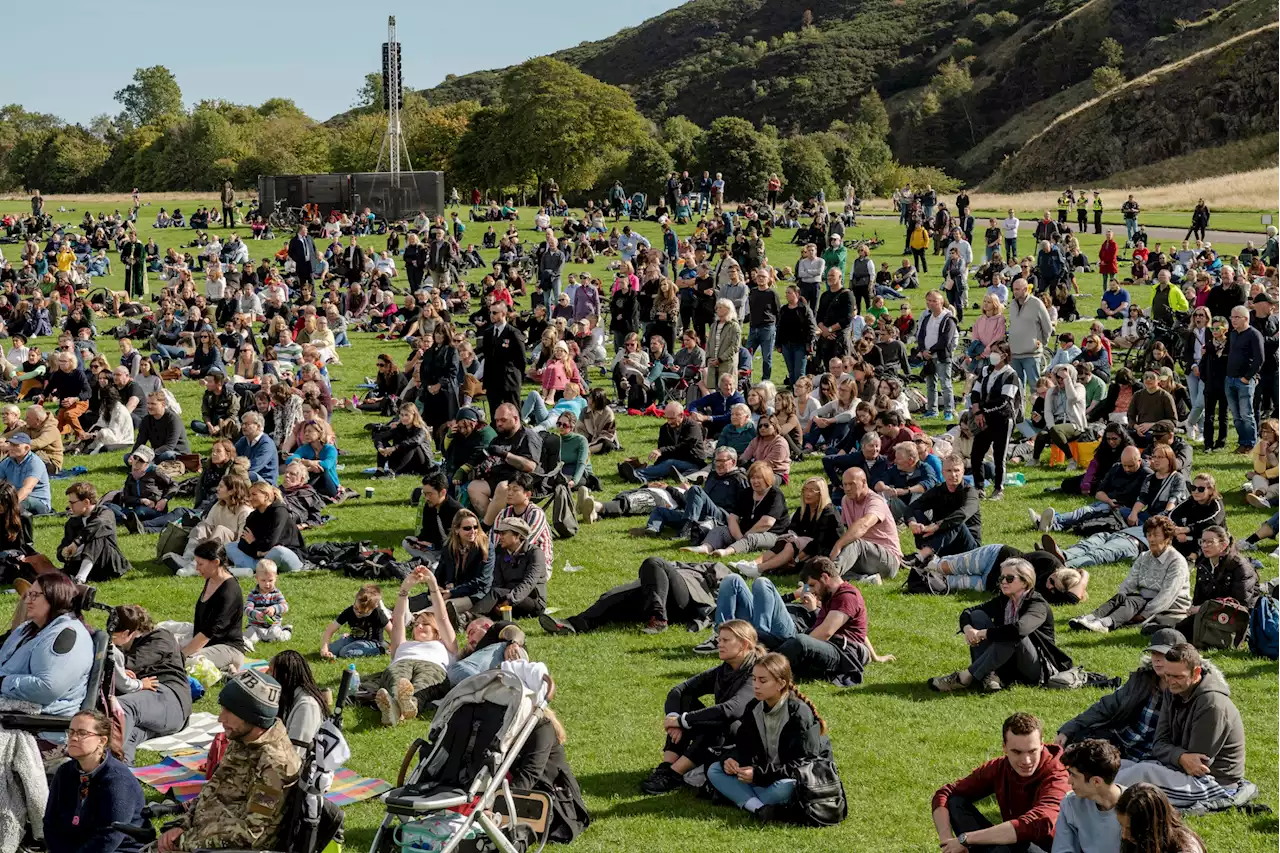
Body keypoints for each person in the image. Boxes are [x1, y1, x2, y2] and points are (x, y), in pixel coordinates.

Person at [156, 670, 301, 852]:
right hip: (201, 834)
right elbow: (213, 788)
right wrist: (183, 824)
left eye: (229, 711)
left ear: (253, 716)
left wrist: (183, 843)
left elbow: (252, 834)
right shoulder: (243, 738)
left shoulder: (274, 765)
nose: (220, 718)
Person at [1115, 643, 1246, 809]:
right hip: (1176, 768)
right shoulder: (1173, 691)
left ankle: (1092, 792)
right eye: (1167, 675)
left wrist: (1174, 755)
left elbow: (1195, 765)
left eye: (1178, 676)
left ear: (1197, 672)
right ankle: (1087, 785)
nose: (1171, 682)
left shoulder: (1212, 704)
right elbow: (1159, 744)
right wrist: (1179, 756)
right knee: (1123, 765)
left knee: (1141, 772)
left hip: (1212, 783)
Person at [707, 652, 835, 822]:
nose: (756, 685)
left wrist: (758, 775)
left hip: (794, 778)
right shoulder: (754, 707)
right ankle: (760, 808)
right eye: (753, 679)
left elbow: (804, 765)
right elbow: (744, 745)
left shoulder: (798, 713)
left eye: (763, 680)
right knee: (715, 770)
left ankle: (743, 799)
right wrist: (731, 760)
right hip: (765, 775)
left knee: (786, 789)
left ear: (781, 683)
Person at [639, 619, 759, 795]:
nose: (720, 644)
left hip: (750, 739)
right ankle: (666, 766)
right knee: (686, 699)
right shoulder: (724, 669)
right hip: (726, 730)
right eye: (720, 639)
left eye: (726, 640)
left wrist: (683, 720)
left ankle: (675, 773)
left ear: (744, 644)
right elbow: (679, 691)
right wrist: (675, 719)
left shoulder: (757, 672)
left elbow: (732, 710)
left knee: (720, 720)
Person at [929, 558, 1073, 693]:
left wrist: (983, 633)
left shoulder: (1038, 605)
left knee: (1013, 635)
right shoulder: (1005, 600)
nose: (1003, 582)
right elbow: (969, 612)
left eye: (1009, 578)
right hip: (1007, 658)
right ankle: (990, 675)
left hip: (1036, 667)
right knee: (977, 616)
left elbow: (1019, 629)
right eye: (1001, 578)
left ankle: (965, 677)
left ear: (1025, 581)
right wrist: (969, 629)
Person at [932, 712, 1069, 853]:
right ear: (1004, 747)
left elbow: (1036, 823)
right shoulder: (1000, 767)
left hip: (1048, 848)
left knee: (1017, 842)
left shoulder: (1058, 775)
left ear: (1041, 745)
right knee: (955, 801)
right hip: (1012, 841)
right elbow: (946, 792)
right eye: (1017, 752)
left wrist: (965, 839)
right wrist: (947, 841)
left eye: (1032, 751)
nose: (1026, 761)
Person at [1055, 628, 1186, 761]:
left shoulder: (1187, 691)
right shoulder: (1142, 678)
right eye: (1154, 653)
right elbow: (1107, 706)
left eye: (1163, 654)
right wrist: (1070, 727)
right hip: (1122, 743)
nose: (1157, 659)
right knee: (1076, 742)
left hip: (1154, 755)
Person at [44, 709, 146, 853]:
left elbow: (110, 836)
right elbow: (51, 822)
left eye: (82, 733)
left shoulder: (118, 780)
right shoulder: (64, 772)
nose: (73, 738)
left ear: (102, 741)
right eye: (71, 732)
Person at [1068, 516, 1190, 636]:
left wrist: (1144, 614)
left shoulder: (1176, 561)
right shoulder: (1144, 557)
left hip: (1170, 606)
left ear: (1167, 538)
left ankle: (1105, 624)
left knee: (1133, 601)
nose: (1151, 539)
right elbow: (1129, 582)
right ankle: (1091, 617)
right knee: (1121, 597)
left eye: (1156, 535)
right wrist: (1122, 595)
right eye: (1149, 535)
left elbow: (1167, 595)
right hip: (1144, 599)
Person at [372, 566, 458, 726]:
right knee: (397, 681)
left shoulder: (446, 644)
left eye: (425, 624)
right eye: (416, 624)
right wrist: (404, 589)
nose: (418, 627)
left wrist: (432, 584)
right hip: (402, 663)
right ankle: (394, 707)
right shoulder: (403, 645)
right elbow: (397, 621)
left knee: (422, 685)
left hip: (432, 667)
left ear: (437, 630)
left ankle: (407, 705)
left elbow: (442, 617)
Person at [0, 573, 94, 716]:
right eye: (28, 595)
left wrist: (3, 683)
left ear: (55, 597)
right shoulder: (27, 629)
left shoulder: (68, 635)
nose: (27, 601)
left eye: (34, 595)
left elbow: (48, 687)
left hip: (38, 721)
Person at [680, 461, 788, 558]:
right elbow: (733, 517)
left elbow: (767, 523)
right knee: (720, 530)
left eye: (759, 478)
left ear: (767, 479)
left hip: (771, 534)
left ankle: (727, 551)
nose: (755, 481)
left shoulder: (775, 494)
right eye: (753, 478)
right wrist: (738, 536)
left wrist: (745, 536)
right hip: (744, 532)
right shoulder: (746, 493)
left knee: (752, 538)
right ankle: (705, 547)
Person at [831, 467, 903, 583]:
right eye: (845, 485)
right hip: (863, 556)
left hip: (888, 560)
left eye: (852, 484)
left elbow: (864, 525)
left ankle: (827, 578)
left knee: (854, 543)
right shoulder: (846, 500)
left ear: (864, 482)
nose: (847, 488)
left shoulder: (876, 501)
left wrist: (838, 545)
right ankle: (864, 579)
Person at [905, 453, 981, 563]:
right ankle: (926, 552)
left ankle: (922, 555)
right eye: (949, 471)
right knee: (917, 512)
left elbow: (963, 514)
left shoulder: (970, 492)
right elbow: (912, 507)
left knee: (956, 521)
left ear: (963, 472)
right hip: (942, 542)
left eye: (956, 470)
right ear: (943, 473)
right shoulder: (938, 490)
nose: (953, 474)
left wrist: (936, 526)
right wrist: (912, 523)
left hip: (967, 547)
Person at [1054, 739, 1124, 853]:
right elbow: (1062, 849)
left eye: (1074, 775)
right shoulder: (1070, 804)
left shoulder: (1136, 807)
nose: (1069, 781)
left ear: (1096, 782)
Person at [57, 481, 131, 581]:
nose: (69, 507)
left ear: (86, 502)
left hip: (107, 565)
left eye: (72, 503)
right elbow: (63, 547)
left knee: (98, 534)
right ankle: (80, 575)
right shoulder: (72, 522)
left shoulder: (106, 513)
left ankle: (80, 578)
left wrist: (76, 542)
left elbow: (98, 524)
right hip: (81, 564)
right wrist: (63, 553)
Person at [227, 482, 305, 573]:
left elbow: (271, 543)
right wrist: (258, 553)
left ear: (266, 496)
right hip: (261, 556)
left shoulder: (279, 512)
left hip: (287, 555)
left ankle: (252, 568)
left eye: (254, 494)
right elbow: (242, 543)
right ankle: (259, 568)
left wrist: (253, 542)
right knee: (230, 546)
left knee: (278, 551)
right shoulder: (253, 516)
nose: (250, 498)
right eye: (249, 495)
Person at [1114, 784, 1206, 853]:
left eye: (1130, 829)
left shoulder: (1186, 849)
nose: (1124, 835)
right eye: (1122, 826)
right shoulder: (1138, 842)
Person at [268, 649, 329, 752]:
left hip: (299, 764)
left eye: (270, 671)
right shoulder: (288, 696)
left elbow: (297, 752)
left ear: (284, 676)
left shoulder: (307, 706)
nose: (267, 675)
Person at [1226, 304, 1264, 453]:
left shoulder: (1254, 334)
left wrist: (1247, 378)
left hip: (1245, 381)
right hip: (1230, 379)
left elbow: (1259, 359)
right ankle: (1243, 443)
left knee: (1246, 414)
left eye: (1237, 317)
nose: (1233, 320)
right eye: (1232, 317)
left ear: (1246, 318)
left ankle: (1251, 443)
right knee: (1236, 416)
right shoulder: (1233, 334)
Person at [479, 302, 527, 416]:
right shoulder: (488, 333)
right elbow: (487, 357)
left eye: (495, 313)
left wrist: (517, 377)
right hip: (493, 382)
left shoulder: (513, 333)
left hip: (509, 380)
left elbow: (522, 359)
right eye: (490, 312)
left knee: (513, 414)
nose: (491, 315)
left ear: (504, 313)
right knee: (495, 415)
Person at [0, 431, 52, 514]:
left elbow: (27, 489)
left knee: (23, 501)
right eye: (11, 444)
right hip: (16, 498)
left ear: (27, 448)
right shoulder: (6, 462)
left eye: (16, 445)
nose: (11, 448)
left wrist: (10, 504)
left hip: (38, 501)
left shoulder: (35, 463)